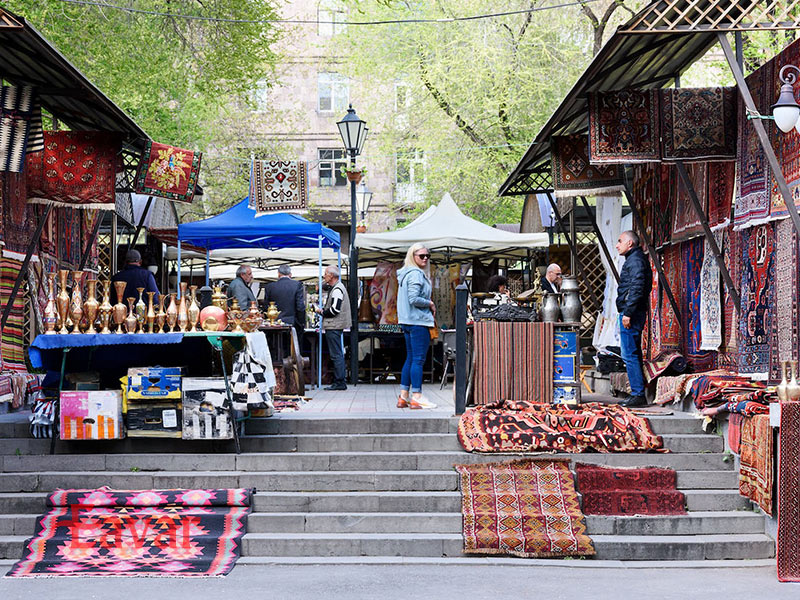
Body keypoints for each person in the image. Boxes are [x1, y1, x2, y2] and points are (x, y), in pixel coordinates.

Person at [396, 243, 437, 410]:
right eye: (421, 256)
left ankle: (403, 396)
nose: (425, 258)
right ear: (412, 256)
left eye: (427, 255)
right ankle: (417, 396)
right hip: (418, 321)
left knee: (411, 358)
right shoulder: (416, 274)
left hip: (407, 321)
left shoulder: (405, 274)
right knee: (418, 360)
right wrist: (430, 303)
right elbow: (414, 298)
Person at [614, 230, 652, 408]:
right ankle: (637, 393)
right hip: (634, 310)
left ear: (630, 243)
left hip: (632, 312)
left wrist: (628, 312)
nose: (617, 245)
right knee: (631, 353)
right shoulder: (635, 259)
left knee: (629, 353)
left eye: (620, 241)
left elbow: (637, 286)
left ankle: (638, 394)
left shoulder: (636, 260)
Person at [315, 265, 350, 391]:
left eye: (326, 274)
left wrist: (321, 312)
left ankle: (340, 382)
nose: (324, 276)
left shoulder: (337, 290)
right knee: (337, 353)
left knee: (336, 354)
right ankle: (340, 381)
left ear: (331, 276)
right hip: (335, 325)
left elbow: (335, 310)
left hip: (334, 325)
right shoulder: (337, 288)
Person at [264, 265, 306, 336]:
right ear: (290, 274)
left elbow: (266, 306)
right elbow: (300, 307)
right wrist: (301, 322)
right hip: (292, 323)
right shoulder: (297, 285)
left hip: (274, 324)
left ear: (278, 274)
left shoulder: (270, 286)